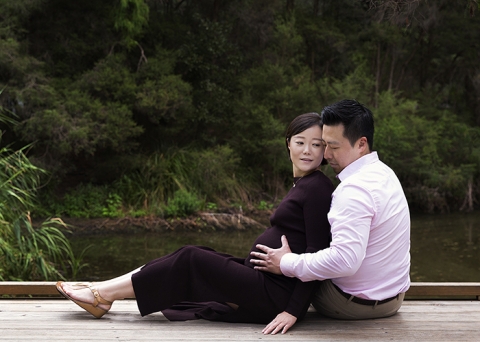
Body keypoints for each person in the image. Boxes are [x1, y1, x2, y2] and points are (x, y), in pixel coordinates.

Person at [56, 112, 335, 335]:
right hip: (266, 281)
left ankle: (101, 295)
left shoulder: (318, 188)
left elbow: (318, 255)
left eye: (317, 144)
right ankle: (102, 290)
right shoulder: (305, 184)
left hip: (274, 294)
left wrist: (293, 311)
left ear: (325, 149)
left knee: (192, 258)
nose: (307, 150)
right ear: (288, 143)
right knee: (189, 252)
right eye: (300, 142)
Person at [251, 99, 411, 320]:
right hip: (393, 300)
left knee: (290, 273)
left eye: (333, 147)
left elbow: (344, 261)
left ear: (361, 144)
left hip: (351, 304)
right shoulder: (385, 173)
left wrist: (286, 263)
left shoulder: (354, 189)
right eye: (324, 145)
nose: (325, 155)